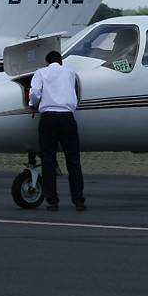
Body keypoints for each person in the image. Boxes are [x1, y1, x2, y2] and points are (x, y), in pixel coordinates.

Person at [29, 50, 86, 211]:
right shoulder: (70, 73)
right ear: (61, 62)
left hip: (48, 119)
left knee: (48, 161)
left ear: (47, 62)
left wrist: (33, 104)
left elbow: (34, 93)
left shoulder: (41, 72)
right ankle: (79, 200)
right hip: (67, 117)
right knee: (73, 161)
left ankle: (52, 201)